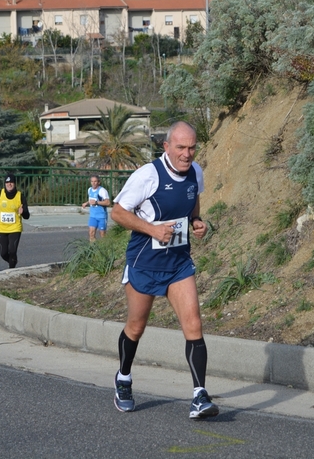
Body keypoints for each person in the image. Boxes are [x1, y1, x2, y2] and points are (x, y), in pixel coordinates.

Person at [109, 121, 217, 419]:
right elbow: (118, 212)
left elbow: (192, 204)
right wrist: (152, 230)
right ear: (166, 147)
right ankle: (124, 378)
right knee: (136, 326)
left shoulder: (196, 172)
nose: (187, 154)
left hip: (178, 263)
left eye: (192, 147)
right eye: (181, 147)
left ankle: (199, 396)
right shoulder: (147, 175)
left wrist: (197, 222)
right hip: (145, 263)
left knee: (193, 324)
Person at [0, 173, 30, 269]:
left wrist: (23, 212)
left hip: (15, 228)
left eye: (11, 182)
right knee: (3, 253)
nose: (9, 184)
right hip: (1, 227)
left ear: (15, 183)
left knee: (12, 251)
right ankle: (13, 261)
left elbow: (27, 216)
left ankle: (11, 270)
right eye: (7, 182)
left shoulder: (20, 196)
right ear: (5, 184)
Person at [81, 175, 111, 242]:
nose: (93, 183)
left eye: (95, 181)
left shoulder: (102, 191)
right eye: (92, 181)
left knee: (102, 235)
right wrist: (86, 203)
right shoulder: (89, 190)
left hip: (101, 216)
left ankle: (104, 250)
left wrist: (97, 202)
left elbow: (108, 203)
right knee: (91, 233)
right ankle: (93, 250)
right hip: (93, 216)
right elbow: (91, 200)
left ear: (98, 182)